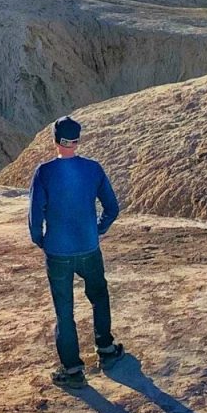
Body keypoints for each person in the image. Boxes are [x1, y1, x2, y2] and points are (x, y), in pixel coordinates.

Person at [28, 116, 123, 385]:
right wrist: (98, 230)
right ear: (77, 140)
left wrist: (42, 241)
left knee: (64, 311)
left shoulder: (44, 172)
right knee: (99, 295)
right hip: (89, 247)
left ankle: (72, 370)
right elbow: (112, 208)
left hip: (58, 252)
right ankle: (105, 348)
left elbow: (35, 217)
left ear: (56, 141)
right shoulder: (93, 169)